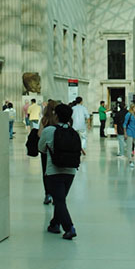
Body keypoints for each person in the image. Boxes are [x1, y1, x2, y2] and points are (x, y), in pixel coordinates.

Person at [38, 102, 80, 240]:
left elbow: (41, 149)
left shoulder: (49, 131)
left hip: (53, 171)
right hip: (70, 171)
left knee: (59, 201)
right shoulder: (73, 132)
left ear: (56, 116)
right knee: (60, 199)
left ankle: (69, 227)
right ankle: (54, 223)